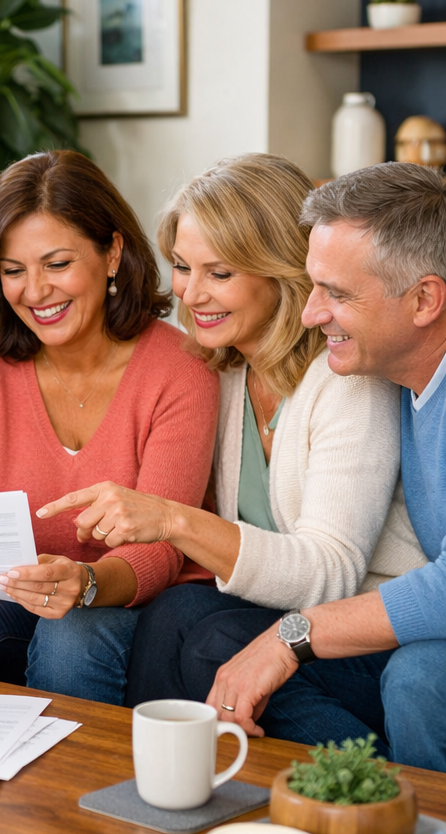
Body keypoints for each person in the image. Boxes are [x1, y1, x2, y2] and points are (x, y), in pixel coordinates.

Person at [33, 153, 425, 721]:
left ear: (283, 270)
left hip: (370, 635)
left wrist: (172, 518)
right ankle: (156, 779)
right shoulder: (222, 373)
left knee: (211, 642)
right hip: (288, 614)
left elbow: (329, 574)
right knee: (177, 611)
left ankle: (358, 794)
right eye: (182, 267)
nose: (191, 296)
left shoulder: (347, 381)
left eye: (220, 273)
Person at [0, 150, 220, 700]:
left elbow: (162, 546)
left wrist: (86, 581)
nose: (36, 291)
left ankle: (73, 787)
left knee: (73, 635)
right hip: (10, 591)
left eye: (58, 264)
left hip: (128, 596)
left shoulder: (181, 368)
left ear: (112, 253)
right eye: (13, 271)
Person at [158, 162, 446, 772]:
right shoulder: (405, 383)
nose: (314, 314)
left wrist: (291, 639)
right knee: (186, 618)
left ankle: (381, 818)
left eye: (337, 294)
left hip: (404, 636)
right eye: (314, 287)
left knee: (420, 678)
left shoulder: (362, 384)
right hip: (381, 626)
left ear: (425, 299)